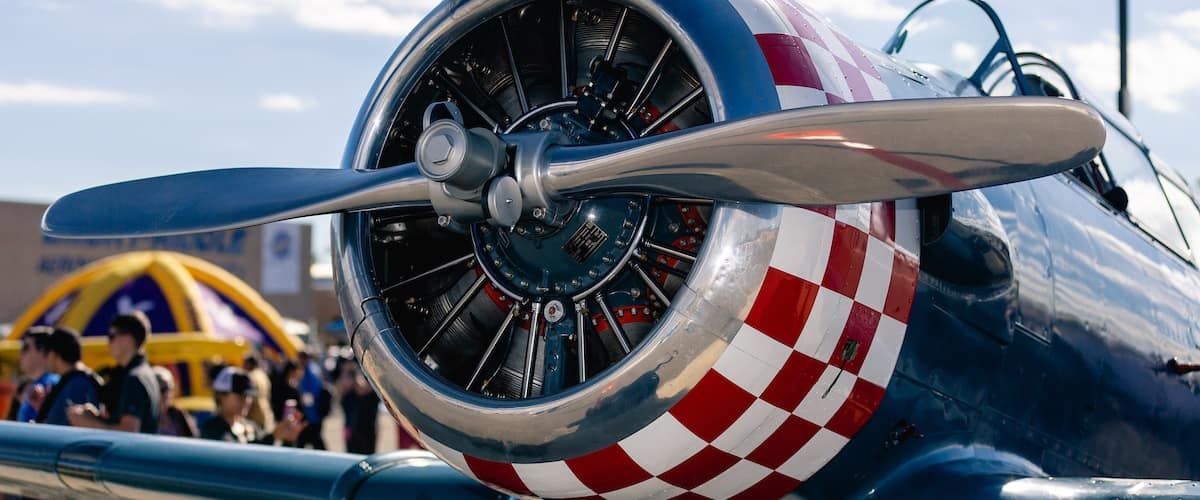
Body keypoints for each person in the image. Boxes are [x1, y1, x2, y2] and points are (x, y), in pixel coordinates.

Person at [67, 312, 161, 433]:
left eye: (112, 336)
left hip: (131, 452)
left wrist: (87, 422)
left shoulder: (135, 378)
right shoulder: (145, 373)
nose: (108, 343)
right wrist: (95, 418)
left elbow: (129, 432)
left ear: (127, 339)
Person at [200, 367, 303, 444]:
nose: (246, 400)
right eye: (240, 395)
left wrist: (287, 439)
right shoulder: (210, 430)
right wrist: (273, 437)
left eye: (249, 396)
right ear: (221, 395)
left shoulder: (252, 427)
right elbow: (237, 459)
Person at [35, 328, 101, 426]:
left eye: (46, 353)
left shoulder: (77, 384)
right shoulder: (73, 381)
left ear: (53, 354)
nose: (45, 359)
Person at [15, 327, 60, 422]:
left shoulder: (53, 385)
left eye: (25, 348)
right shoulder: (35, 385)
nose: (21, 354)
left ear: (42, 351)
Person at [336, 357, 379, 454]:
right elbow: (340, 388)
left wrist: (357, 371)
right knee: (350, 457)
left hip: (367, 428)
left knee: (367, 457)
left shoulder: (370, 377)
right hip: (350, 428)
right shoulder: (347, 383)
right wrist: (345, 371)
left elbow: (362, 389)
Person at [153, 366, 197, 437]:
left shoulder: (179, 415)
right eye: (161, 389)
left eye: (168, 388)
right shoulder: (144, 418)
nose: (165, 394)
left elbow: (193, 441)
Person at [242, 352, 274, 434]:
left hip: (255, 416)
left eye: (244, 363)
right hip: (266, 412)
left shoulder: (250, 377)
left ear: (249, 364)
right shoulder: (263, 375)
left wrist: (243, 416)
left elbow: (250, 399)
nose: (243, 365)